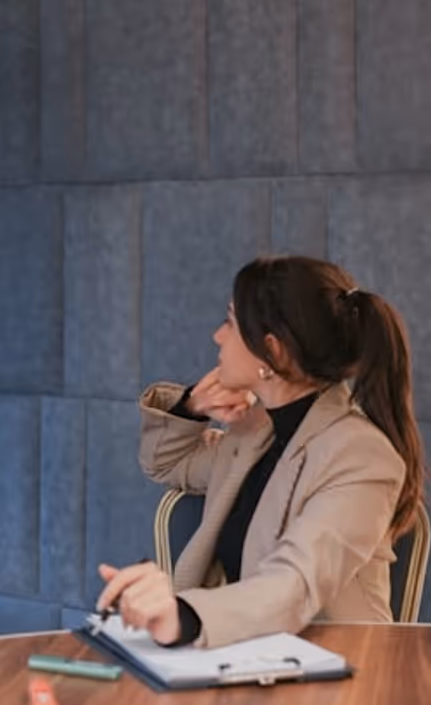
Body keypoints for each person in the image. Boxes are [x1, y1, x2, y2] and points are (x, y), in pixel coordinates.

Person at [97, 255, 425, 648]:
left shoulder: (362, 457)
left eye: (231, 322)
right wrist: (192, 406)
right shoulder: (254, 431)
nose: (218, 336)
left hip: (338, 665)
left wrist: (182, 615)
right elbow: (167, 463)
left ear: (272, 352)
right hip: (244, 656)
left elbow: (294, 583)